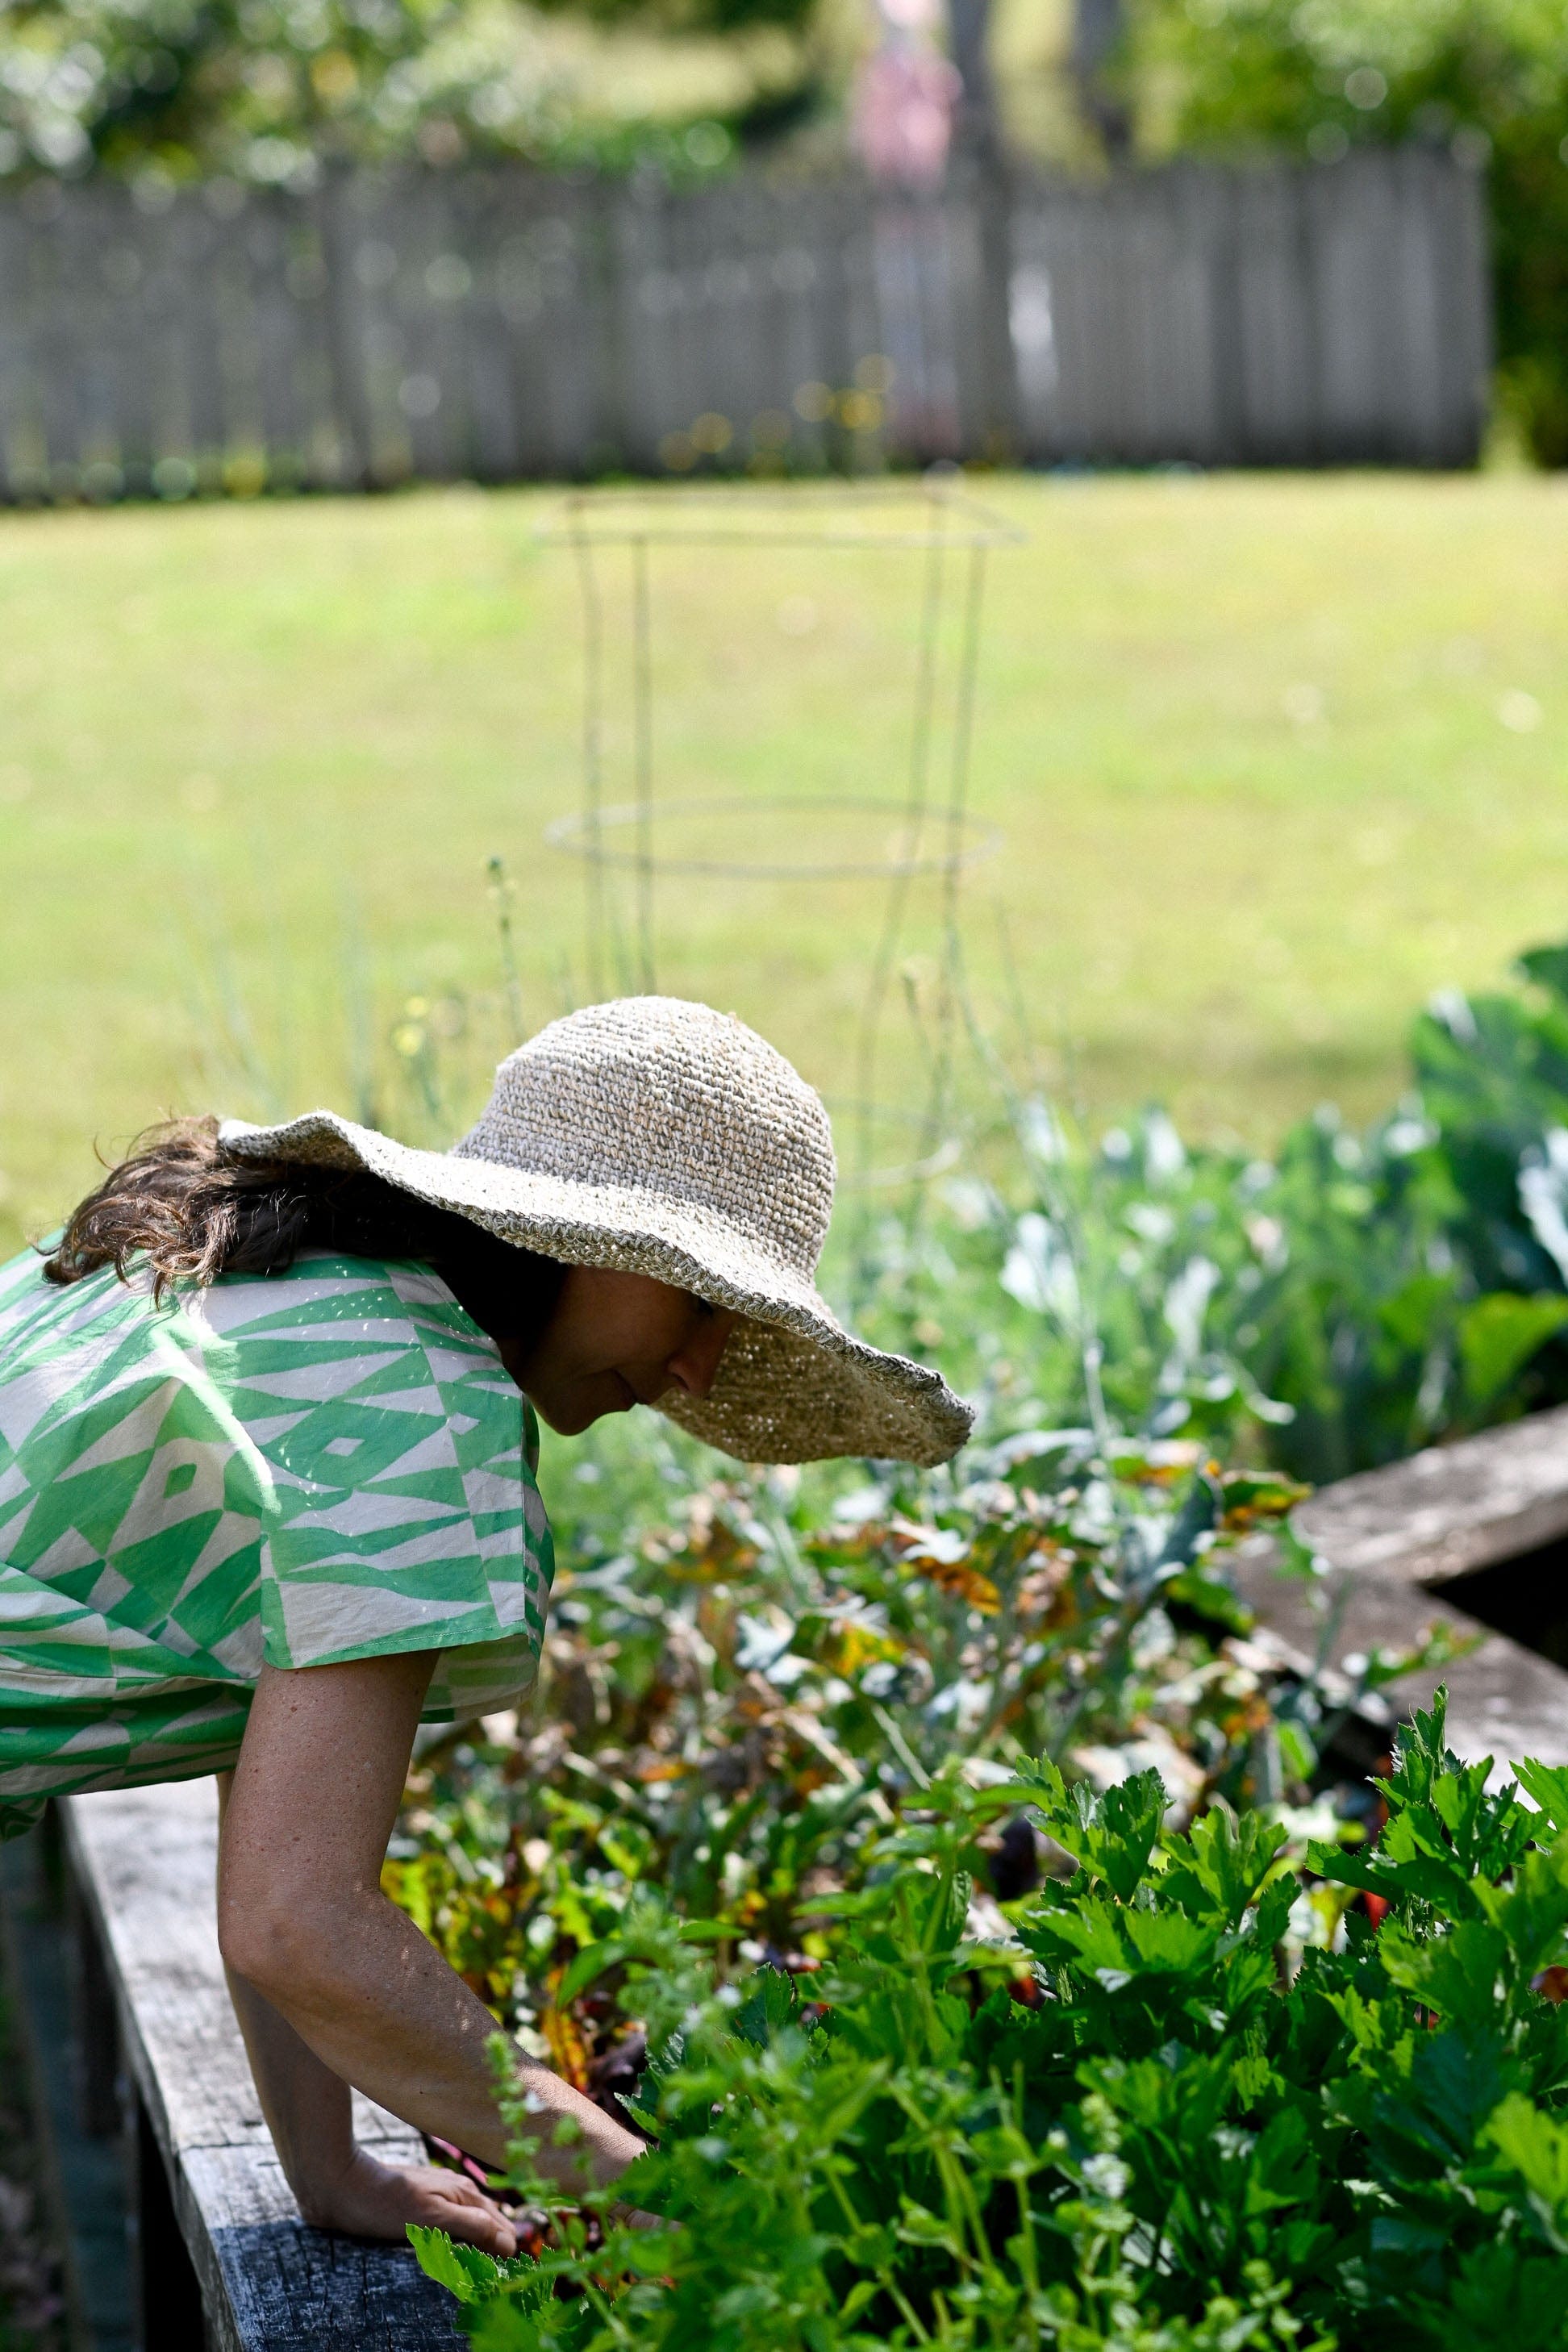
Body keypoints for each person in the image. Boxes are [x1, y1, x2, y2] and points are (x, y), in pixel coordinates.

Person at [0, 995, 970, 2254]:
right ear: (599, 1244)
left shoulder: (306, 1287)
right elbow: (299, 1924)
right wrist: (678, 2205)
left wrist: (331, 2172)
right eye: (705, 1306)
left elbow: (271, 1800)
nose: (698, 1371)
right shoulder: (419, 1410)